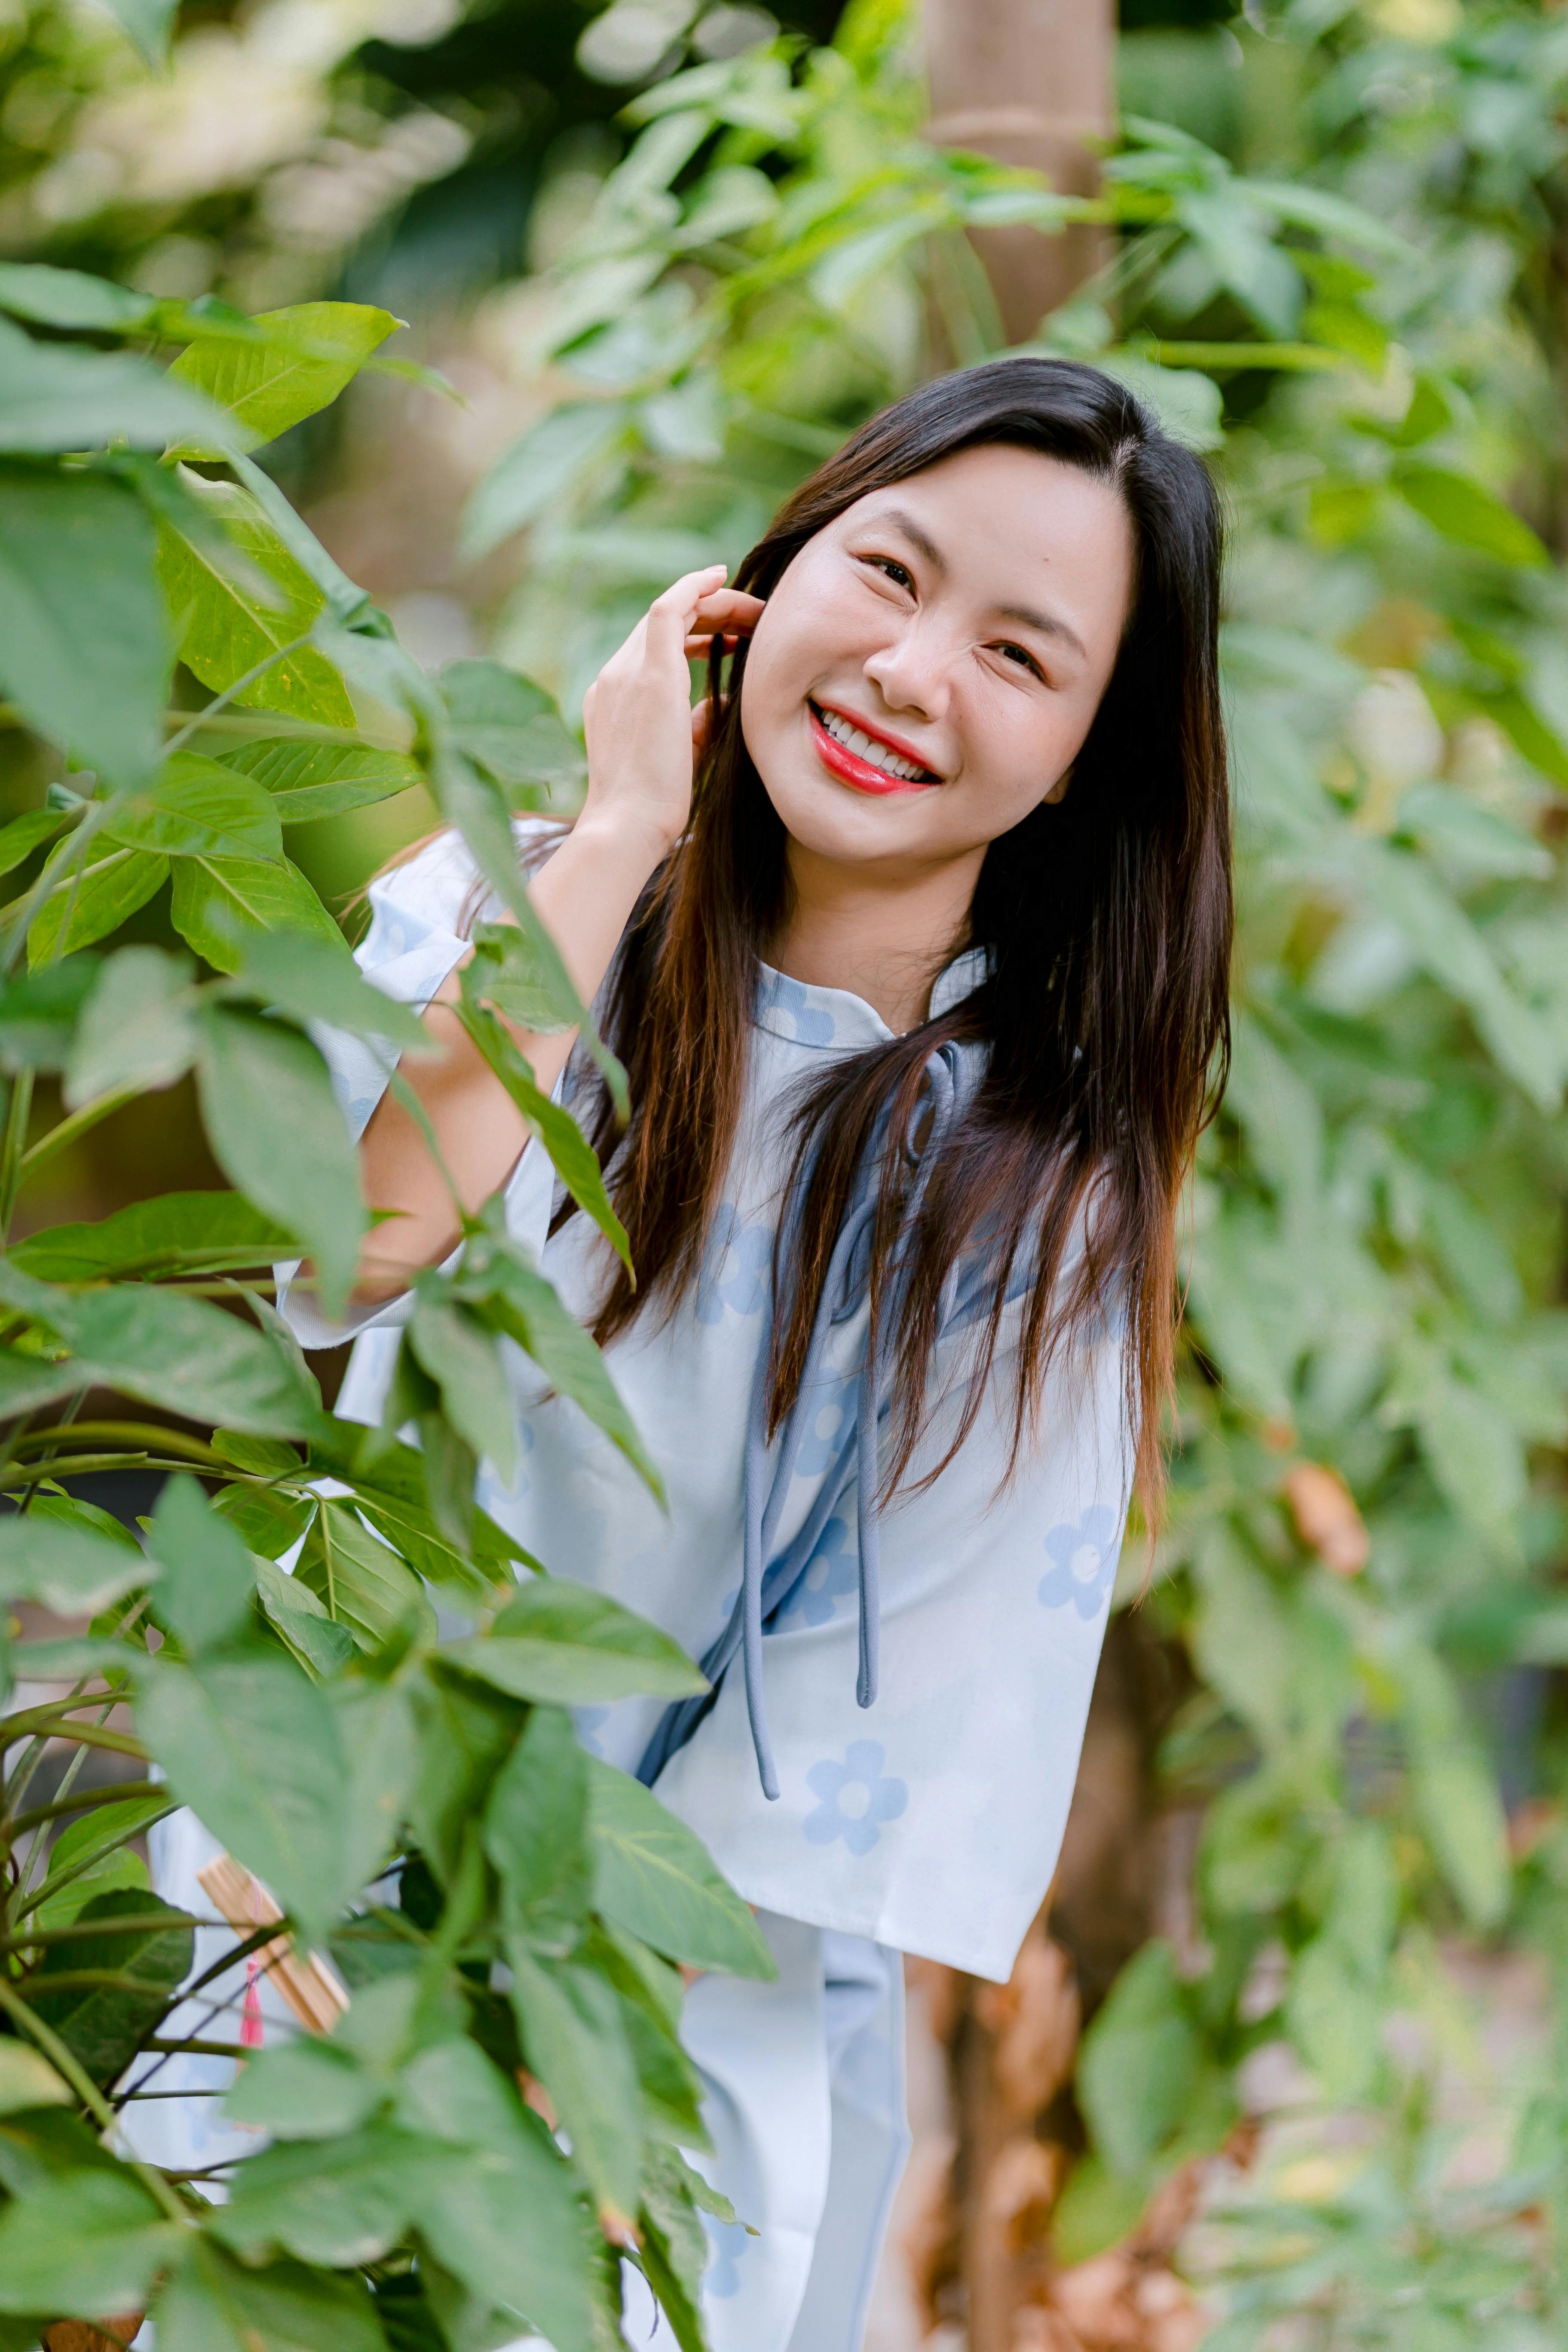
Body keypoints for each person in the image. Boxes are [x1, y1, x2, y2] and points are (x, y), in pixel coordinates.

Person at [287, 356, 1232, 2352]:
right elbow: (346, 1249)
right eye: (887, 574)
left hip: (655, 2020)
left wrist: (550, 2027)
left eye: (1019, 654)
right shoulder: (514, 911)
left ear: (1080, 761)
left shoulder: (1036, 1203)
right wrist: (625, 821)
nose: (911, 672)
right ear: (765, 579)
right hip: (281, 1874)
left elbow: (850, 1751)